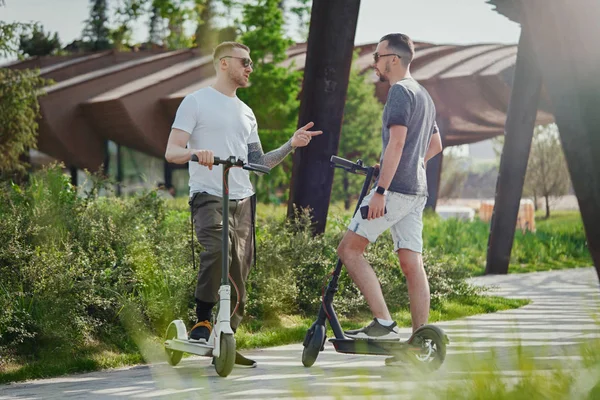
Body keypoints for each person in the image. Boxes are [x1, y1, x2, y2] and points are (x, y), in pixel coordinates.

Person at [164, 41, 322, 366]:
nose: (250, 68)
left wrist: (291, 145)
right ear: (224, 63)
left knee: (240, 270)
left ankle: (227, 335)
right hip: (209, 195)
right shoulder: (195, 103)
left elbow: (259, 163)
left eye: (251, 63)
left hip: (243, 200)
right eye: (245, 62)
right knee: (218, 251)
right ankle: (203, 320)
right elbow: (172, 151)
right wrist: (196, 153)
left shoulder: (246, 112)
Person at [338, 33, 443, 340]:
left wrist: (381, 191)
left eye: (377, 56)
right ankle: (421, 338)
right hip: (416, 191)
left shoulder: (400, 92)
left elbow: (397, 143)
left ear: (393, 59)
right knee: (412, 263)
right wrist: (414, 162)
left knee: (349, 251)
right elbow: (435, 144)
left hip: (395, 190)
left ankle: (383, 323)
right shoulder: (424, 95)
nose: (375, 63)